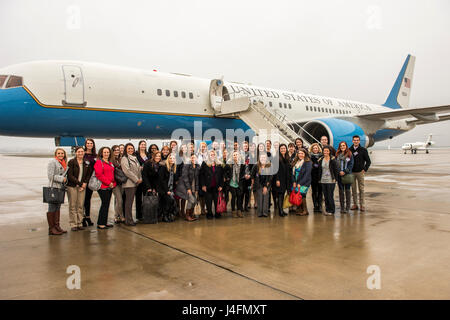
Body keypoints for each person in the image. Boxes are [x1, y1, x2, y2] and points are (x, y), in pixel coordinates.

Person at [67, 146, 91, 231]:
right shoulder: (71, 162)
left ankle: (79, 223)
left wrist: (85, 183)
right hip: (72, 186)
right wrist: (80, 184)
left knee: (80, 205)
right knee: (73, 205)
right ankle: (73, 224)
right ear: (76, 153)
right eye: (79, 152)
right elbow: (70, 175)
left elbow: (88, 174)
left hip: (82, 187)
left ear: (84, 152)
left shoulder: (86, 162)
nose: (80, 153)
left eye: (82, 151)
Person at [46, 148, 69, 235]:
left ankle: (57, 226)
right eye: (59, 153)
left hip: (60, 188)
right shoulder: (52, 162)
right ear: (56, 154)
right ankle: (51, 229)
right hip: (54, 188)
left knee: (58, 207)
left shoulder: (63, 163)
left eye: (62, 153)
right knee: (52, 208)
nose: (60, 155)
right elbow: (50, 176)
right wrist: (62, 179)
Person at [94, 147, 116, 229]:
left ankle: (104, 222)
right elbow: (99, 175)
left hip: (110, 186)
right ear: (101, 153)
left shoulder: (110, 163)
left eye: (108, 152)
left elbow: (112, 174)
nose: (106, 154)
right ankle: (100, 223)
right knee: (104, 205)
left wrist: (113, 183)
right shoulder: (99, 162)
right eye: (105, 152)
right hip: (103, 187)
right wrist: (108, 183)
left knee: (106, 205)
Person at [121, 143, 143, 226]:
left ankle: (129, 219)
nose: (130, 150)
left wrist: (140, 178)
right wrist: (136, 179)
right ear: (126, 149)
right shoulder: (124, 158)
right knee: (129, 203)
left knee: (130, 202)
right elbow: (127, 171)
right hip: (129, 184)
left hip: (135, 183)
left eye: (132, 148)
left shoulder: (134, 158)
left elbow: (138, 169)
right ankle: (128, 220)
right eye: (129, 148)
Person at [199, 150, 224, 219]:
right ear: (208, 155)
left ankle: (217, 213)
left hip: (217, 186)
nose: (212, 156)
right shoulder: (205, 164)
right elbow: (201, 175)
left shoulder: (219, 164)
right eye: (211, 154)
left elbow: (222, 176)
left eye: (213, 154)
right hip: (207, 186)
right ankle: (209, 214)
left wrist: (221, 185)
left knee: (217, 201)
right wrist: (203, 185)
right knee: (208, 201)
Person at [349, 135, 371, 212]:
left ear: (359, 141)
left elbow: (368, 161)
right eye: (354, 140)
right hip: (352, 173)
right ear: (352, 141)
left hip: (360, 172)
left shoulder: (363, 150)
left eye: (357, 140)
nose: (356, 141)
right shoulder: (349, 150)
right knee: (353, 189)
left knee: (361, 189)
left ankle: (362, 205)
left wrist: (365, 169)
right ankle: (355, 204)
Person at [175, 153, 200, 221]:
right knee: (191, 200)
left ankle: (191, 214)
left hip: (194, 187)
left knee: (194, 201)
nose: (193, 159)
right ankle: (187, 215)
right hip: (186, 186)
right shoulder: (186, 166)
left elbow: (197, 179)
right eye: (192, 158)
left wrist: (197, 189)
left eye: (195, 158)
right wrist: (188, 188)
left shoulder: (198, 166)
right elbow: (185, 178)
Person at [317, 146, 339, 216]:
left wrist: (335, 178)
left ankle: (331, 210)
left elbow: (336, 169)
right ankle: (327, 209)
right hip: (323, 180)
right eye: (324, 151)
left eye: (327, 151)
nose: (325, 152)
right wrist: (319, 178)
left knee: (330, 195)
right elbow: (319, 169)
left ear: (329, 152)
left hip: (331, 180)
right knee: (325, 196)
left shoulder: (333, 159)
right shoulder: (321, 159)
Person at [290, 148, 312, 216]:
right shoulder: (295, 161)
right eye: (299, 153)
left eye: (302, 153)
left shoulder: (308, 162)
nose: (300, 155)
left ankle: (305, 210)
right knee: (299, 194)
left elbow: (307, 174)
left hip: (304, 182)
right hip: (296, 181)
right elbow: (292, 173)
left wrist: (300, 183)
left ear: (305, 154)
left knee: (302, 195)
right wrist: (294, 182)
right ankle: (300, 209)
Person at [157, 153, 178, 222]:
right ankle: (165, 216)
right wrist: (167, 190)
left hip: (170, 189)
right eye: (170, 158)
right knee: (168, 201)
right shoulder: (163, 167)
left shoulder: (174, 168)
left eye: (173, 158)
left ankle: (168, 215)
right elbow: (162, 181)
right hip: (163, 189)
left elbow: (174, 180)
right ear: (168, 159)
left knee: (171, 202)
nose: (172, 160)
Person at [251, 153, 272, 217]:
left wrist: (266, 186)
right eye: (261, 158)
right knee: (259, 198)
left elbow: (270, 177)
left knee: (265, 198)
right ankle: (260, 213)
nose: (263, 159)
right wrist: (252, 184)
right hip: (258, 184)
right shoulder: (256, 165)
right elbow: (252, 175)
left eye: (264, 158)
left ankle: (265, 213)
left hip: (267, 184)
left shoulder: (269, 166)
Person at [336, 141, 354, 214]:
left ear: (346, 146)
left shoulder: (349, 154)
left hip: (347, 175)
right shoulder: (337, 155)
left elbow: (351, 165)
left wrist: (344, 171)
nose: (342, 147)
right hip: (339, 175)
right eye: (341, 146)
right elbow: (336, 164)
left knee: (347, 191)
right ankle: (342, 207)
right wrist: (339, 171)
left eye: (343, 145)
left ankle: (347, 207)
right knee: (341, 192)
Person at [273, 144, 290, 217]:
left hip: (285, 180)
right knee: (280, 195)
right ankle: (280, 211)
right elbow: (275, 170)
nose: (283, 150)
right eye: (281, 148)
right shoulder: (276, 157)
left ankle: (281, 210)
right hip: (279, 179)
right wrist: (277, 179)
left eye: (284, 148)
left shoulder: (286, 157)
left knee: (282, 195)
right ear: (279, 150)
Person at [83, 138, 97, 227]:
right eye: (88, 143)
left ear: (93, 145)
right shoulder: (82, 154)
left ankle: (87, 216)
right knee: (82, 200)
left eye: (91, 143)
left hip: (91, 180)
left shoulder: (95, 155)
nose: (89, 145)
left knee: (88, 199)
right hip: (84, 180)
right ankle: (82, 218)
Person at [134, 140, 149, 221]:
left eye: (144, 145)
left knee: (146, 197)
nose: (143, 146)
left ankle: (146, 213)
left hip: (146, 178)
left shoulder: (148, 155)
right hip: (138, 178)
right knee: (138, 197)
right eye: (142, 144)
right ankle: (139, 215)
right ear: (139, 146)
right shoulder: (136, 154)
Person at [111, 145, 125, 224]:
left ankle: (117, 216)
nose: (117, 151)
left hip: (121, 182)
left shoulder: (121, 159)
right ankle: (120, 216)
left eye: (118, 150)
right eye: (115, 150)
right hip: (114, 183)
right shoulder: (111, 160)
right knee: (119, 200)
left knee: (117, 200)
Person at [309, 143, 323, 213]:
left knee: (320, 191)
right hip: (313, 176)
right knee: (314, 191)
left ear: (318, 149)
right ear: (312, 149)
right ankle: (315, 205)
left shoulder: (322, 156)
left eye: (316, 148)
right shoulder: (310, 157)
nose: (315, 149)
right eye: (314, 148)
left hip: (320, 176)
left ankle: (320, 205)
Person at [229, 151, 243, 218]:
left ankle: (239, 211)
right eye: (234, 155)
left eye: (236, 155)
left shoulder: (241, 164)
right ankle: (233, 211)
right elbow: (225, 172)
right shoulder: (230, 164)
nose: (235, 156)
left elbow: (242, 173)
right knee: (234, 196)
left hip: (239, 183)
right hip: (232, 183)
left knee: (239, 196)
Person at [240, 141, 253, 212]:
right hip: (242, 177)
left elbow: (253, 166)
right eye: (244, 146)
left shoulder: (250, 155)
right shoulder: (239, 155)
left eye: (246, 146)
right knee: (241, 192)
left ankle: (246, 206)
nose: (245, 147)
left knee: (248, 192)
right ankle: (241, 206)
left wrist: (250, 175)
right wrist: (243, 175)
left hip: (249, 177)